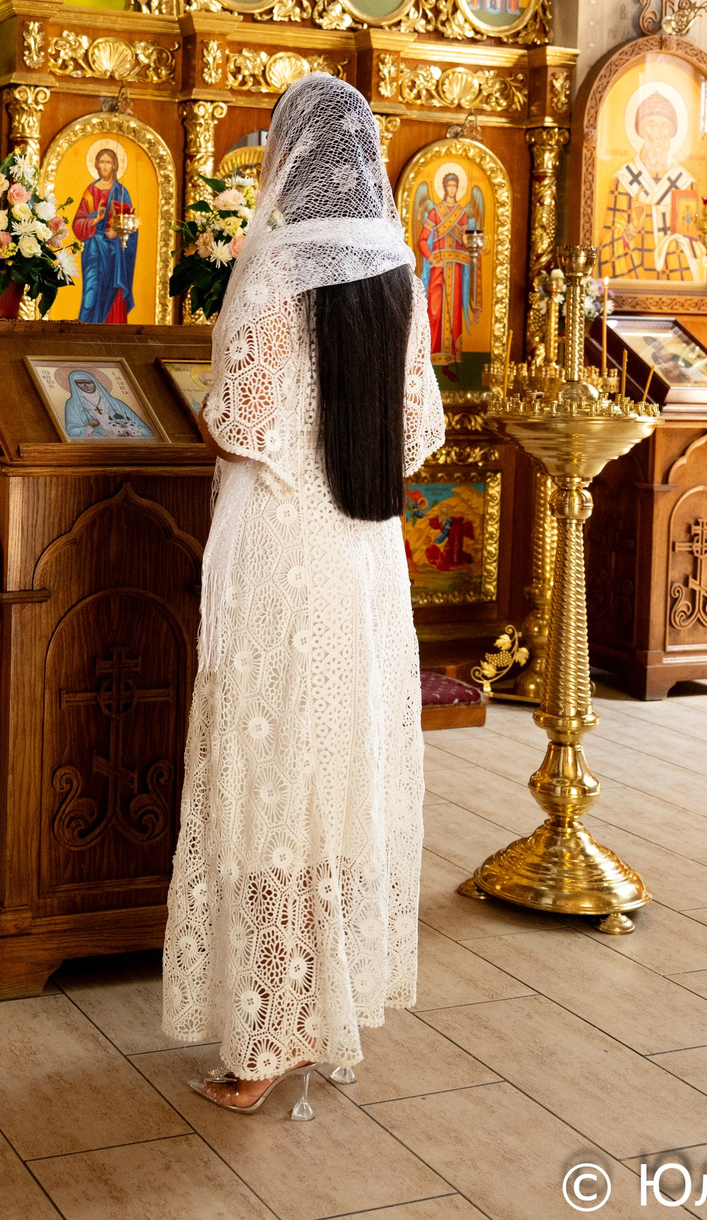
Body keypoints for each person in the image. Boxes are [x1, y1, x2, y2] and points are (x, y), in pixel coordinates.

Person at [164, 71, 444, 1118]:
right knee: (329, 781)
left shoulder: (275, 267)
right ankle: (317, 1004)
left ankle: (269, 1035)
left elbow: (236, 421)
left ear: (292, 157)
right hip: (362, 557)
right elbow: (417, 432)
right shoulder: (396, 275)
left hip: (277, 553)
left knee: (267, 779)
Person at [601, 88, 705, 284]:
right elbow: (607, 242)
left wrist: (674, 244)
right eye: (651, 124)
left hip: (673, 279)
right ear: (640, 130)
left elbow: (690, 238)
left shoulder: (684, 180)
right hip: (633, 277)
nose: (658, 134)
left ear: (673, 131)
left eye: (665, 126)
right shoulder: (624, 179)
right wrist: (632, 228)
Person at [412, 169, 480, 363]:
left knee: (454, 310)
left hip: (456, 270)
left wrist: (475, 248)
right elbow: (422, 240)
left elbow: (468, 241)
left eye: (454, 186)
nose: (452, 189)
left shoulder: (461, 214)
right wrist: (432, 258)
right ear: (443, 187)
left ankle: (452, 356)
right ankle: (430, 354)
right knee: (434, 309)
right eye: (449, 185)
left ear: (458, 188)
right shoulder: (435, 212)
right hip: (438, 269)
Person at [71, 146, 138, 324]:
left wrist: (117, 232)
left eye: (108, 162)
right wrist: (95, 220)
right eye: (102, 162)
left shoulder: (122, 193)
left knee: (115, 293)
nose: (105, 166)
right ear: (97, 166)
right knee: (91, 292)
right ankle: (83, 332)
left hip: (115, 253)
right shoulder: (90, 192)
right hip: (94, 250)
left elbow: (131, 224)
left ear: (115, 165)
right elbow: (77, 224)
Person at [58, 370, 150, 440]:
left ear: (95, 383)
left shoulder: (117, 403)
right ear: (75, 386)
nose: (86, 386)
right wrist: (90, 427)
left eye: (88, 382)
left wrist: (131, 432)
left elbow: (144, 429)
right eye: (80, 383)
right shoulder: (72, 404)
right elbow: (71, 433)